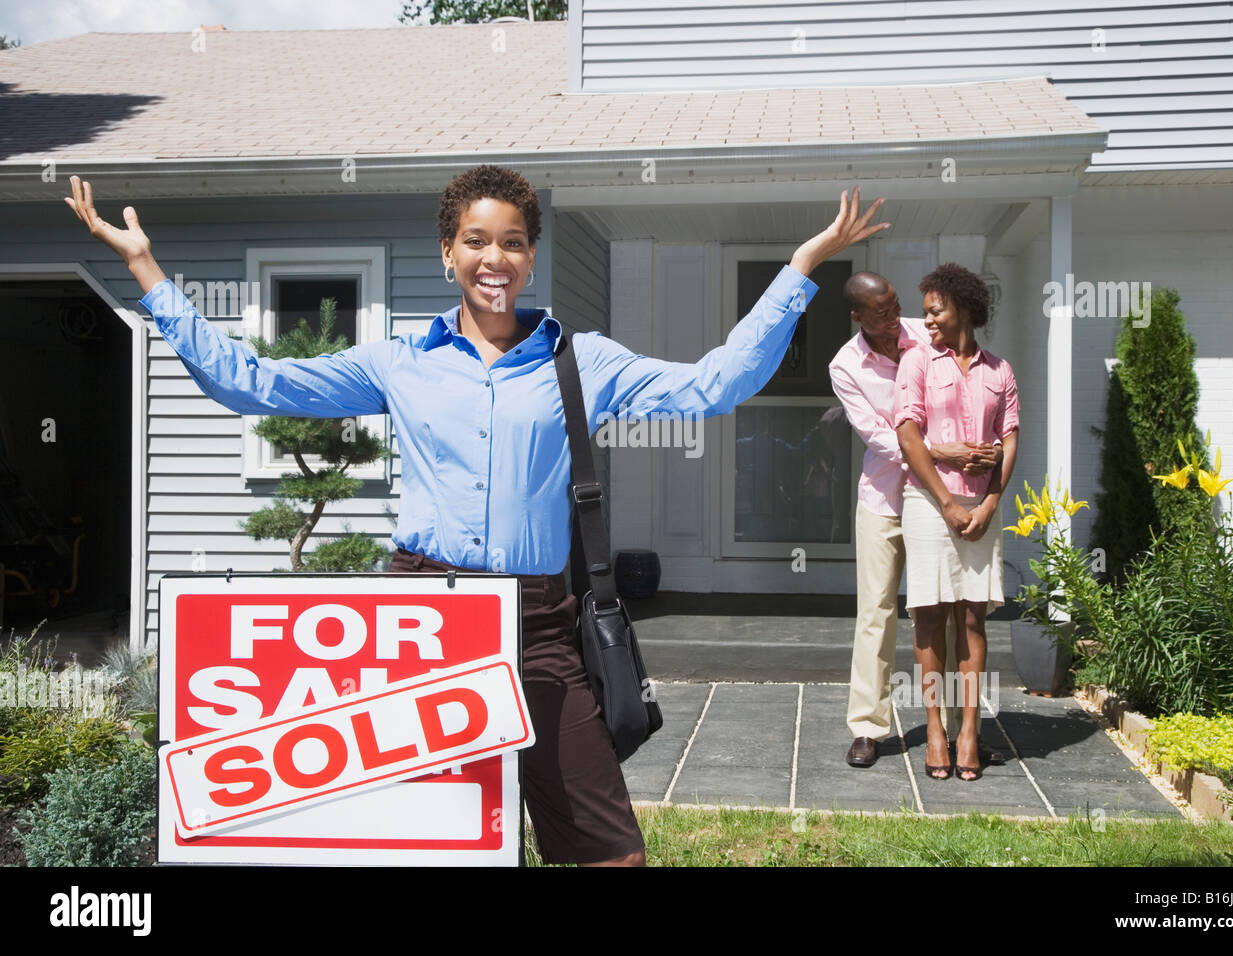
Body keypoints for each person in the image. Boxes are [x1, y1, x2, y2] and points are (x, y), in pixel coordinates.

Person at [65, 167, 889, 864]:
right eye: (476, 240)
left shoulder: (584, 360)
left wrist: (800, 269)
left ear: (532, 254)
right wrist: (148, 274)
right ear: (448, 251)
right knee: (435, 835)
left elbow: (714, 385)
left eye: (513, 242)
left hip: (538, 619)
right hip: (422, 616)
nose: (494, 258)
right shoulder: (399, 361)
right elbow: (255, 384)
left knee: (608, 847)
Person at [829, 272, 1002, 769]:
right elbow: (881, 437)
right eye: (879, 312)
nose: (893, 318)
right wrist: (938, 452)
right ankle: (867, 726)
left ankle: (955, 731)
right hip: (885, 499)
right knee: (877, 614)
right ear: (857, 316)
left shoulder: (925, 333)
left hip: (939, 501)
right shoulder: (845, 366)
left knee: (949, 609)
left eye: (894, 306)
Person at [894, 263, 1019, 781]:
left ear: (964, 307)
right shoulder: (917, 362)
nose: (928, 321)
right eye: (925, 313)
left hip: (981, 509)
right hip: (929, 503)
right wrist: (946, 500)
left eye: (936, 310)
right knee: (928, 616)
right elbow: (907, 435)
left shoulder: (1001, 371)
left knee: (971, 618)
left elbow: (1009, 441)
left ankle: (969, 730)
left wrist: (990, 503)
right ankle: (936, 729)